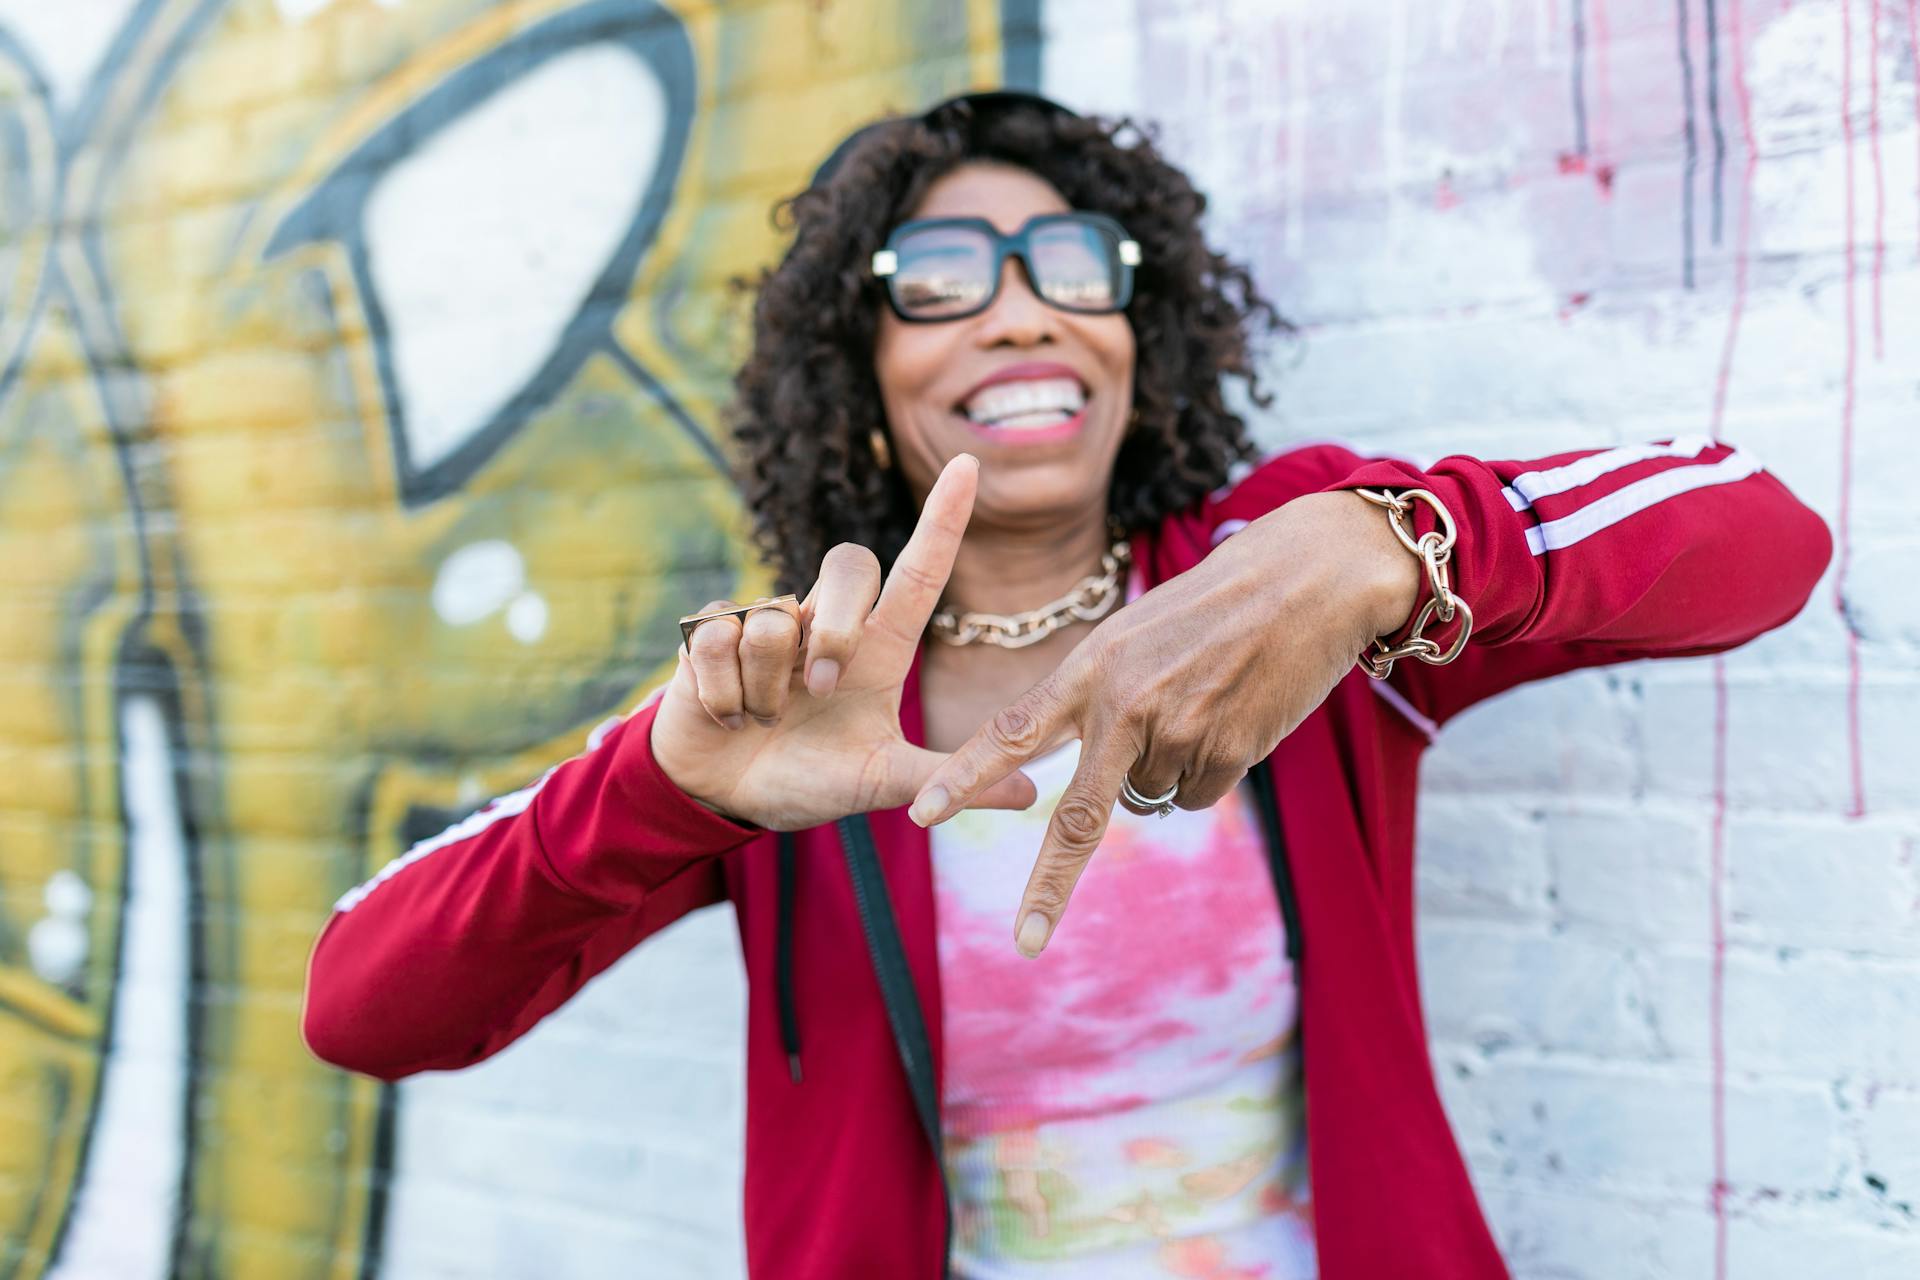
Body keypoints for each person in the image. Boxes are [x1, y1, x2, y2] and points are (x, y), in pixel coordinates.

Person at [301, 92, 1832, 1278]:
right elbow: (363, 1004)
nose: (1022, 310)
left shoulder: (1278, 595)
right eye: (941, 279)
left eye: (1071, 266)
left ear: (1132, 338)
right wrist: (657, 786)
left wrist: (1391, 546)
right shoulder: (786, 700)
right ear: (861, 365)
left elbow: (1761, 530)